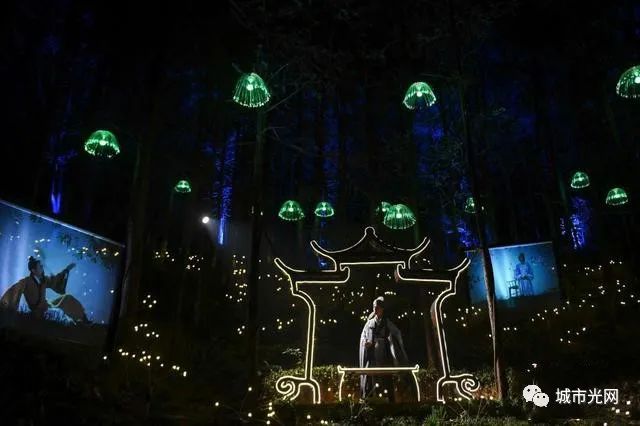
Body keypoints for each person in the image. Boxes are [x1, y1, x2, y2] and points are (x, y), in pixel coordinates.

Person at [0, 256, 88, 324]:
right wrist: (5, 306)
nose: (42, 268)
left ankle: (83, 319)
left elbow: (55, 280)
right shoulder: (26, 281)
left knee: (67, 298)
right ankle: (75, 323)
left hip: (47, 306)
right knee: (60, 316)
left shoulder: (43, 280)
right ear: (33, 270)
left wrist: (66, 270)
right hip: (38, 312)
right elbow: (14, 291)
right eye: (40, 266)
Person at [359, 296, 408, 401]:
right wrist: (366, 342)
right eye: (374, 307)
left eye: (377, 307)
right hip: (372, 355)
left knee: (386, 377)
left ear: (382, 309)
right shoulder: (369, 323)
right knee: (370, 377)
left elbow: (397, 333)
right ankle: (368, 400)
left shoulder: (387, 322)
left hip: (384, 354)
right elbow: (363, 335)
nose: (375, 309)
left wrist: (393, 342)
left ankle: (390, 400)